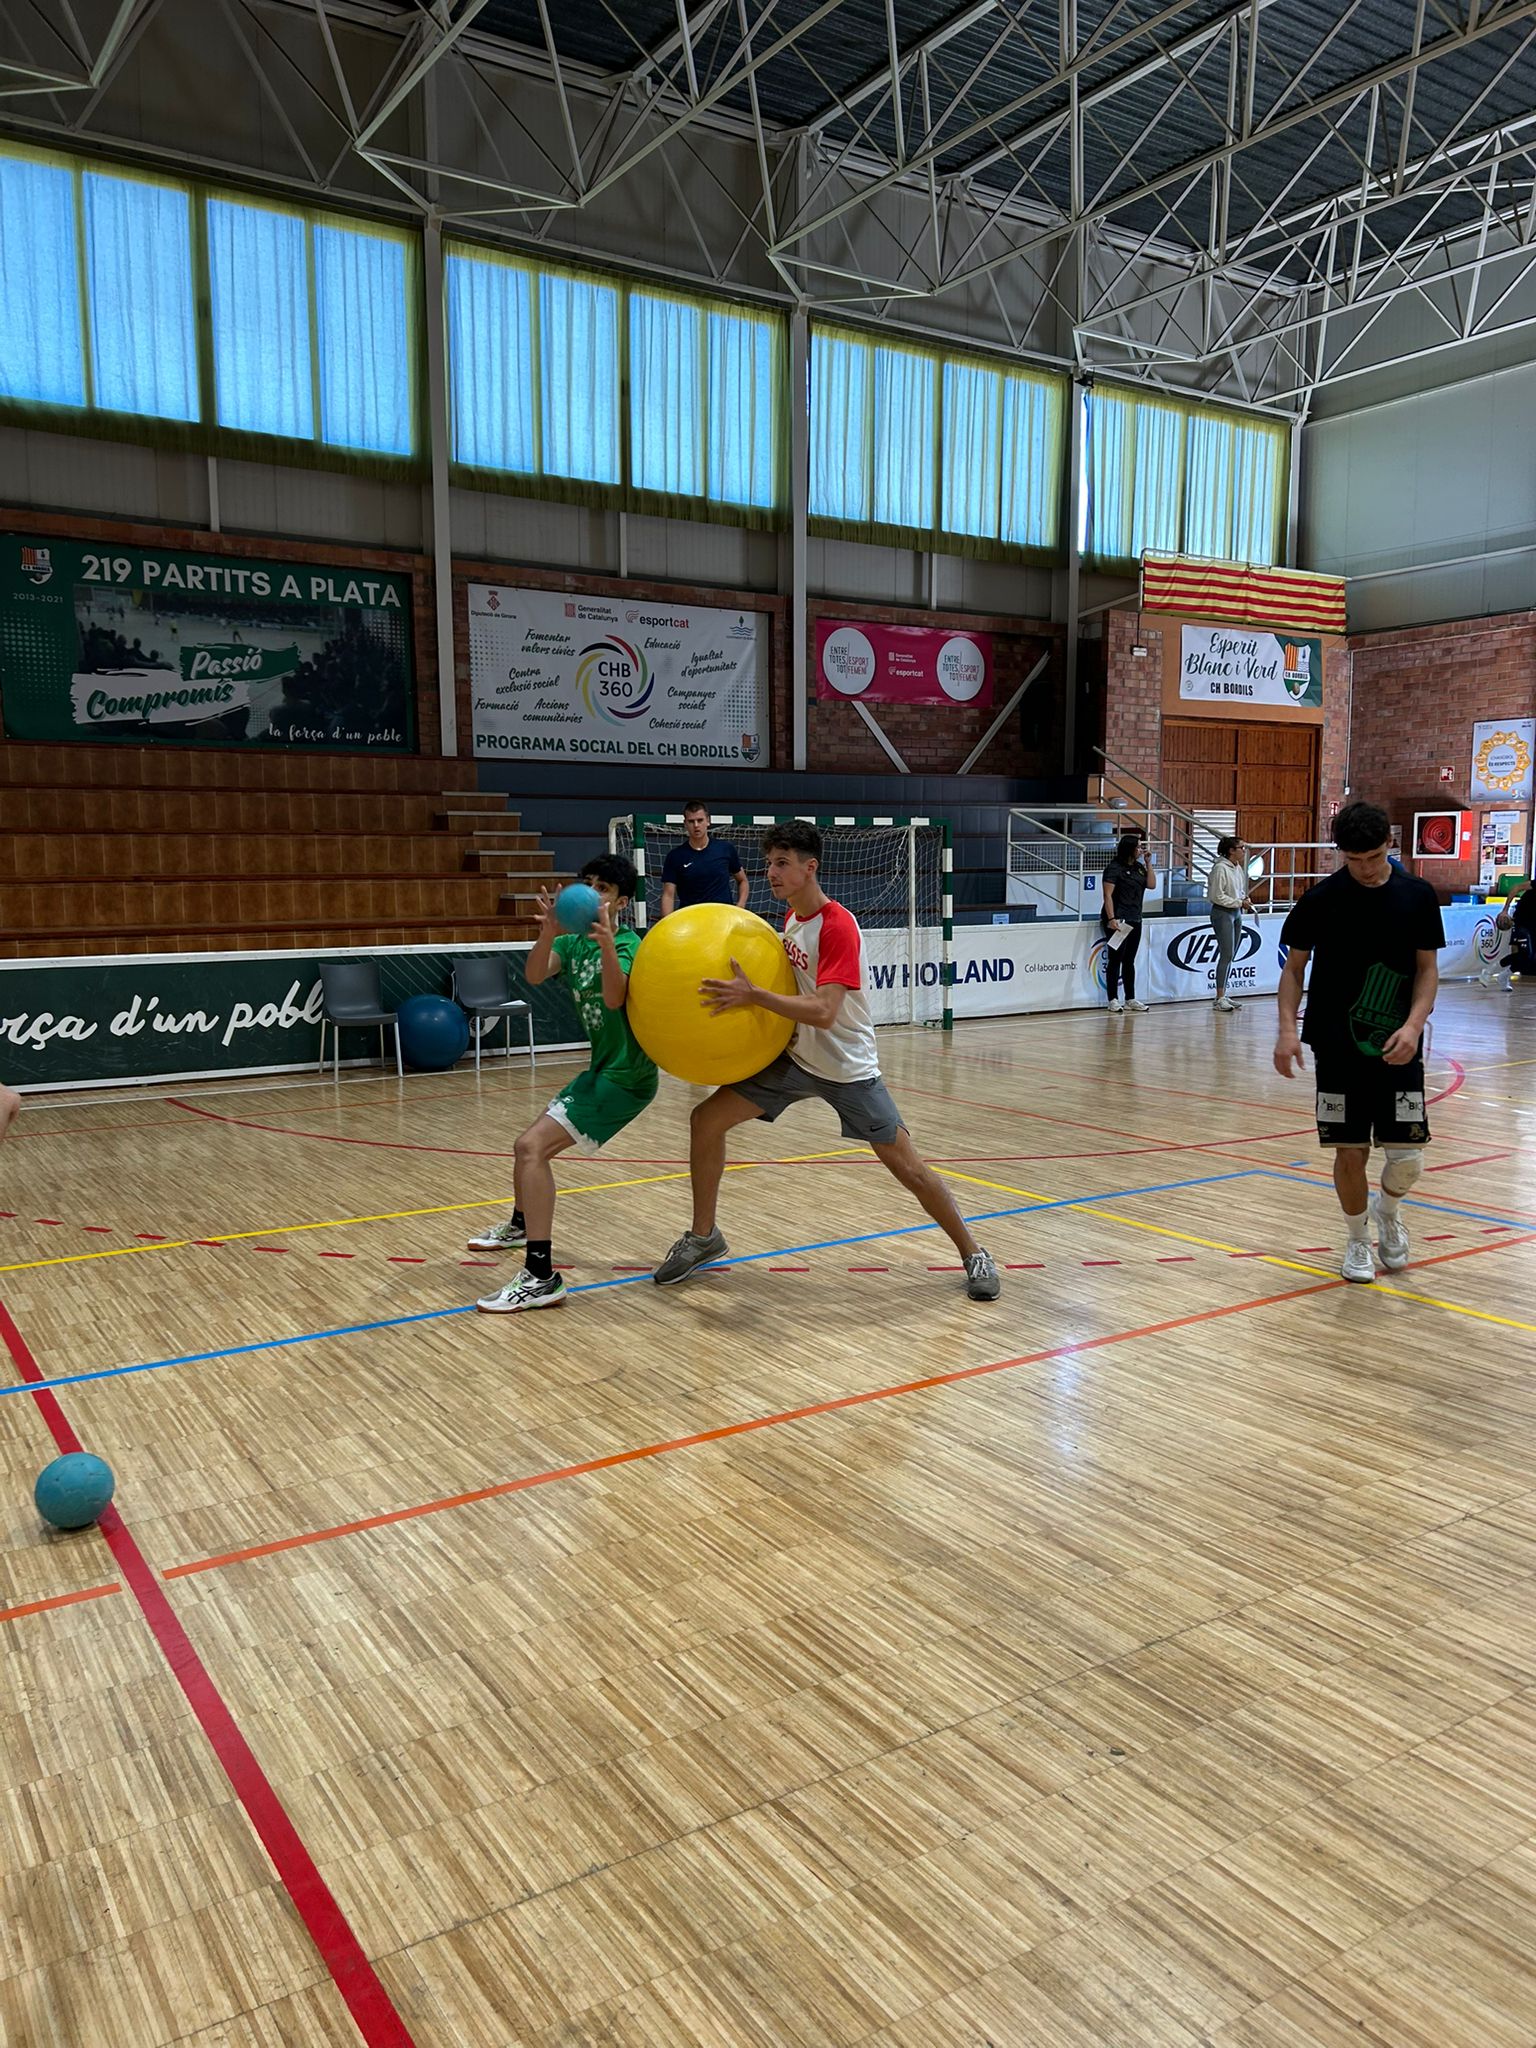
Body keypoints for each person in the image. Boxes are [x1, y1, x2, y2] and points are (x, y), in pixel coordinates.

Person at [650, 820, 1001, 1302]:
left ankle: (974, 1252)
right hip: (794, 1059)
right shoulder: (791, 920)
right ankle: (704, 1236)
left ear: (810, 867)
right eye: (769, 863)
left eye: (782, 863)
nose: (771, 873)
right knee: (705, 1120)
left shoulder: (837, 926)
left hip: (846, 1069)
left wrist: (754, 996)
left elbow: (824, 1010)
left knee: (910, 1169)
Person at [468, 854, 657, 1313]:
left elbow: (615, 998)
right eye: (587, 883)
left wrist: (608, 944)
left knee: (530, 1148)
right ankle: (521, 1224)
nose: (592, 893)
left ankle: (540, 1277)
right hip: (601, 1070)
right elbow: (535, 974)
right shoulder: (572, 944)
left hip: (627, 1077)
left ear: (622, 902)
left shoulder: (630, 943)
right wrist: (549, 932)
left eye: (603, 888)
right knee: (526, 1149)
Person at [1274, 800, 1444, 1284]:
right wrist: (1286, 1029)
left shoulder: (1418, 896)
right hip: (1336, 1045)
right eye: (1354, 860)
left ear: (1390, 843)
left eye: (1374, 857)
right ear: (1341, 854)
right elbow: (1293, 969)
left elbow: (1427, 971)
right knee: (1350, 1151)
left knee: (1407, 1159)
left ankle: (1388, 1211)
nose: (1366, 869)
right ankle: (1356, 1240)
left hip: (1398, 1043)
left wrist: (1413, 1025)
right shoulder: (1321, 899)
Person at [659, 802, 750, 916]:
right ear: (685, 824)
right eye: (691, 821)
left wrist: (740, 906)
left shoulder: (725, 849)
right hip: (691, 919)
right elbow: (668, 894)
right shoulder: (675, 856)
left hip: (723, 918)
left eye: (700, 820)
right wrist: (667, 923)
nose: (696, 825)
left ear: (708, 821)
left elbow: (743, 880)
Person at [1101, 830, 1155, 1013]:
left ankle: (1130, 998)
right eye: (1138, 847)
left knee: (1129, 960)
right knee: (1115, 959)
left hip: (1135, 918)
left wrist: (1148, 863)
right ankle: (1112, 999)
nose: (1141, 849)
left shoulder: (1139, 868)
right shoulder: (1114, 868)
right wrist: (1111, 918)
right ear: (1129, 849)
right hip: (1118, 919)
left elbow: (1151, 884)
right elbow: (1107, 895)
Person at [1207, 835, 1255, 1012]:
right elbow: (1216, 896)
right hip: (1223, 913)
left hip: (1236, 913)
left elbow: (1238, 890)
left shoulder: (1237, 867)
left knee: (1231, 954)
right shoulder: (1220, 868)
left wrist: (1244, 899)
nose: (1244, 850)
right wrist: (1238, 902)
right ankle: (1219, 997)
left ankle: (1223, 994)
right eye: (1241, 847)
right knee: (1226, 954)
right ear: (1231, 850)